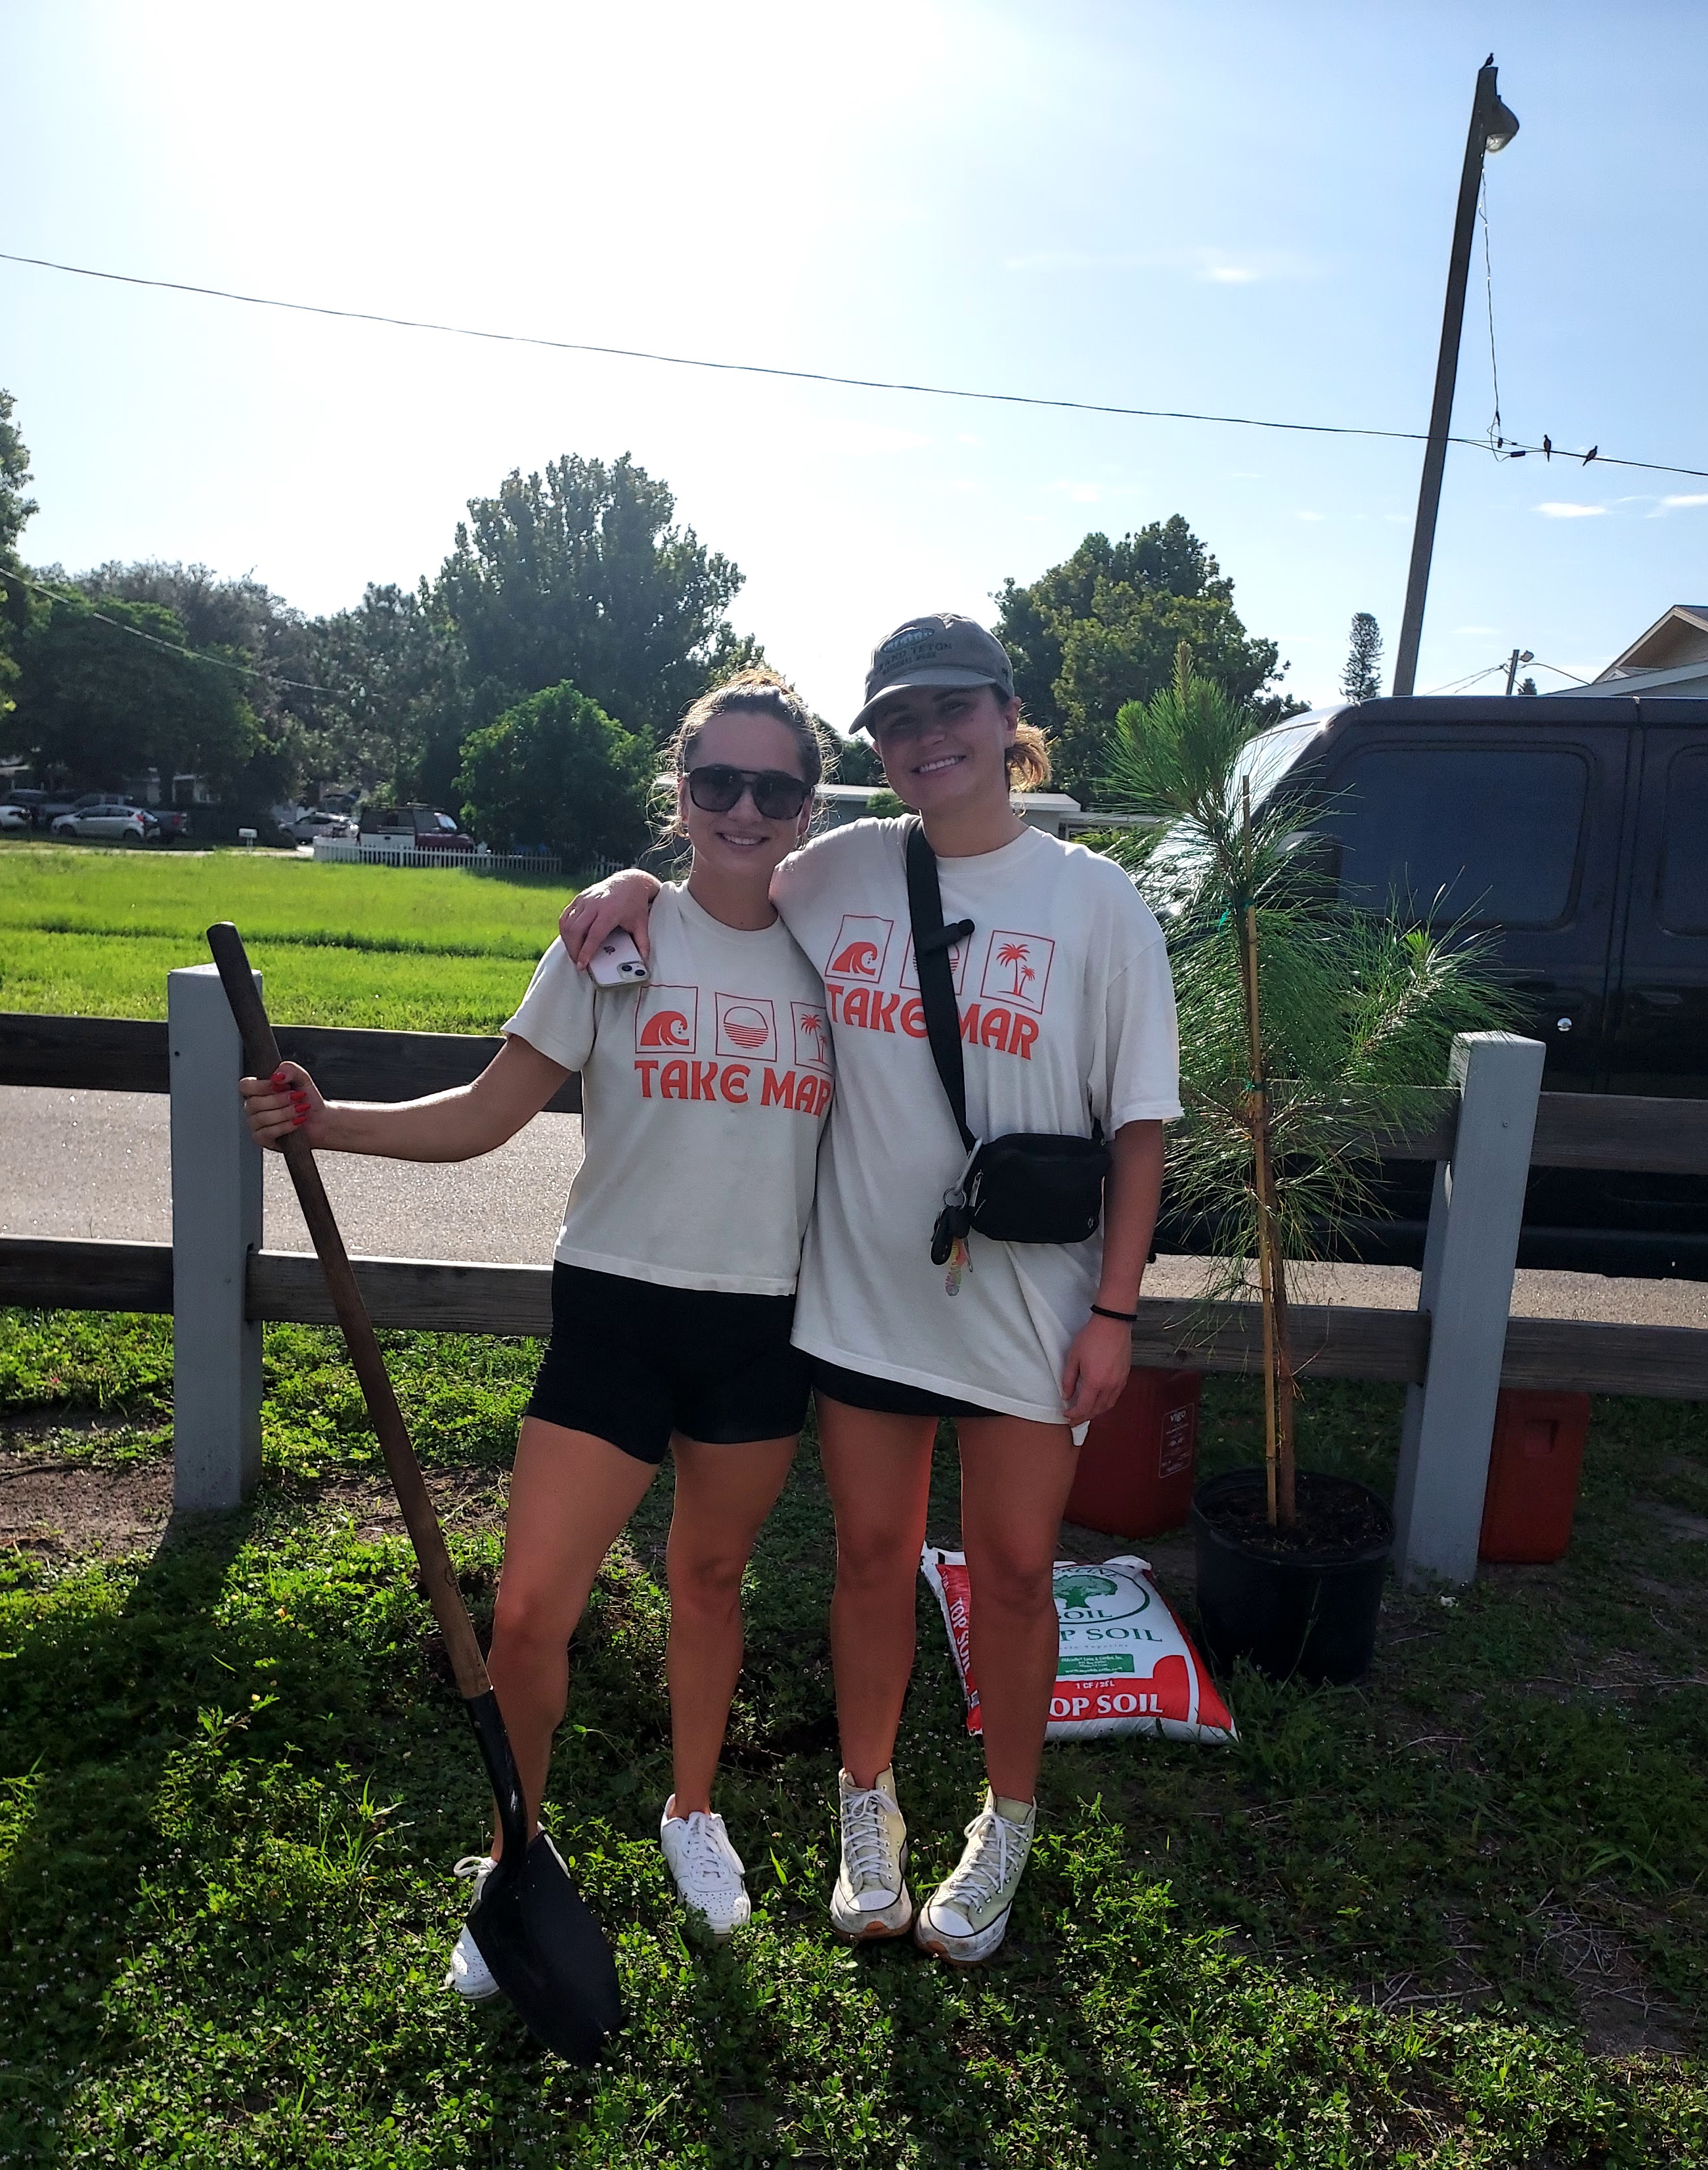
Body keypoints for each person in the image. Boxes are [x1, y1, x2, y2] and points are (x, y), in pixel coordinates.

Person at [561, 615, 1179, 1965]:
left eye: (953, 708)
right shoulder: (839, 870)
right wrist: (628, 880)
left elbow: (1141, 1126)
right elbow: (719, 871)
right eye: (898, 718)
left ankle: (1006, 1819)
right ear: (879, 745)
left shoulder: (1096, 903)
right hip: (866, 1297)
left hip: (1034, 1306)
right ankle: (867, 1804)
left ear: (1008, 717)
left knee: (1015, 1572)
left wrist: (1117, 1310)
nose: (927, 736)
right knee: (869, 1558)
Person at [238, 673, 835, 1991]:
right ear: (679, 790)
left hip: (764, 1324)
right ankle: (515, 1859)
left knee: (709, 1581)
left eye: (774, 787)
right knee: (524, 1615)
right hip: (616, 1309)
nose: (743, 808)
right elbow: (485, 1111)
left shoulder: (837, 950)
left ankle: (695, 1812)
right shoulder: (611, 940)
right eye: (717, 781)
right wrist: (328, 1122)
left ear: (808, 806)